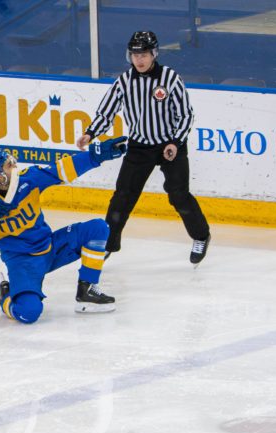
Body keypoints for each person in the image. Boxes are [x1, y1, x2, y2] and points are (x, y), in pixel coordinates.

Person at [0, 138, 126, 322]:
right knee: (28, 312)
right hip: (23, 263)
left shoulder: (28, 180)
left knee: (97, 228)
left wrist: (95, 156)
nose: (14, 166)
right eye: (9, 165)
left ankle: (87, 290)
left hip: (51, 247)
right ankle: (6, 296)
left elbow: (61, 169)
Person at [78, 31, 211, 265]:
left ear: (154, 54)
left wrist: (175, 142)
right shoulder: (124, 81)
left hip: (170, 144)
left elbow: (186, 115)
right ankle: (109, 244)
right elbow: (106, 112)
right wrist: (90, 132)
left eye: (144, 54)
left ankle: (201, 236)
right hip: (140, 146)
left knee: (179, 195)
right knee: (122, 197)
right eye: (135, 55)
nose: (139, 60)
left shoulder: (170, 78)